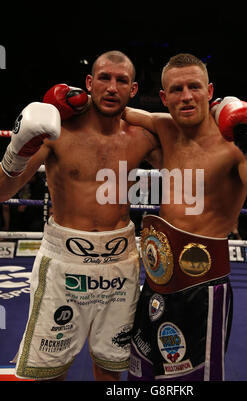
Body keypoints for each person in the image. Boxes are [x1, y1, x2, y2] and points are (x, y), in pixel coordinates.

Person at [121, 53, 247, 381]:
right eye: (177, 89)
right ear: (163, 97)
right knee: (141, 376)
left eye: (194, 87)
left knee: (191, 382)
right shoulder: (163, 127)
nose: (186, 96)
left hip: (202, 289)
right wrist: (78, 99)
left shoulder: (232, 145)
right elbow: (117, 110)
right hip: (155, 283)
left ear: (210, 91)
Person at [0, 50, 161, 381]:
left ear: (133, 89)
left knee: (110, 368)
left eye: (121, 81)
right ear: (89, 83)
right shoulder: (58, 130)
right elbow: (2, 192)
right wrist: (17, 151)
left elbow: (192, 168)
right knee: (49, 372)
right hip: (64, 263)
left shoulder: (143, 135)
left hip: (120, 265)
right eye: (104, 78)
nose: (111, 88)